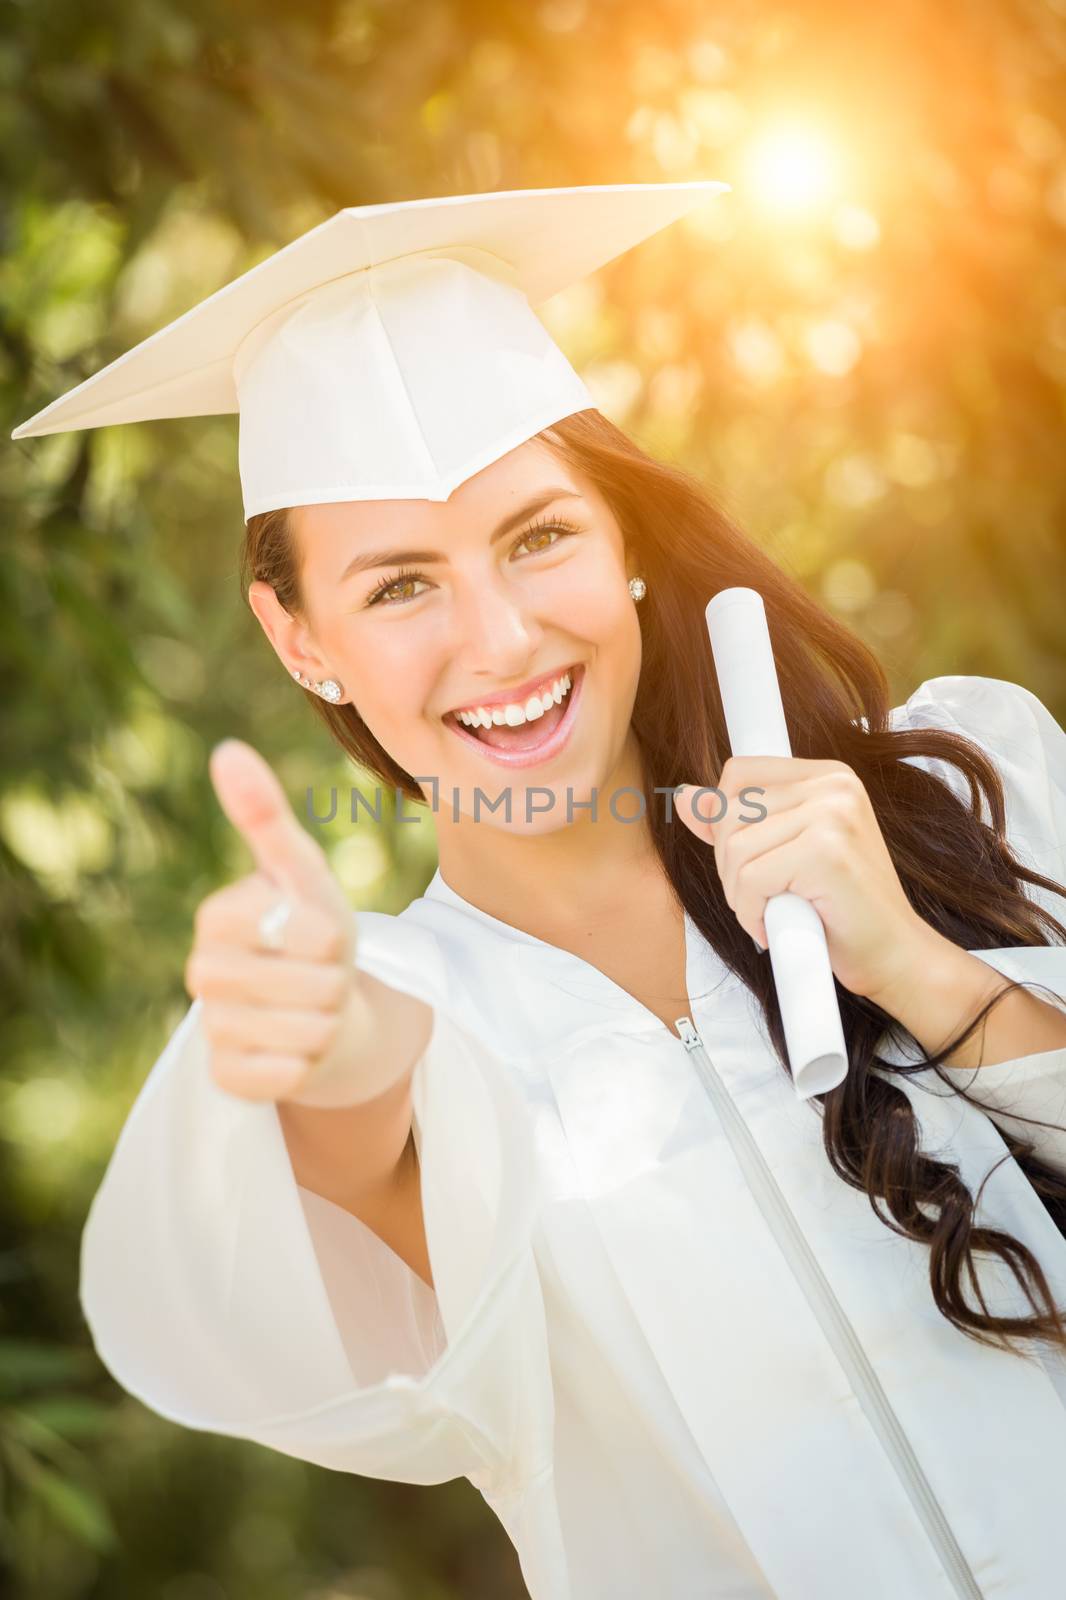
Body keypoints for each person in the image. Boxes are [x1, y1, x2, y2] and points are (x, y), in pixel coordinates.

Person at [13, 182, 1066, 1600]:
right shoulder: (408, 1020)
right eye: (398, 587)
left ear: (623, 541)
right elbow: (350, 1235)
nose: (499, 638)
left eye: (537, 537)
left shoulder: (960, 799)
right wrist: (337, 1061)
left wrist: (925, 975)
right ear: (296, 634)